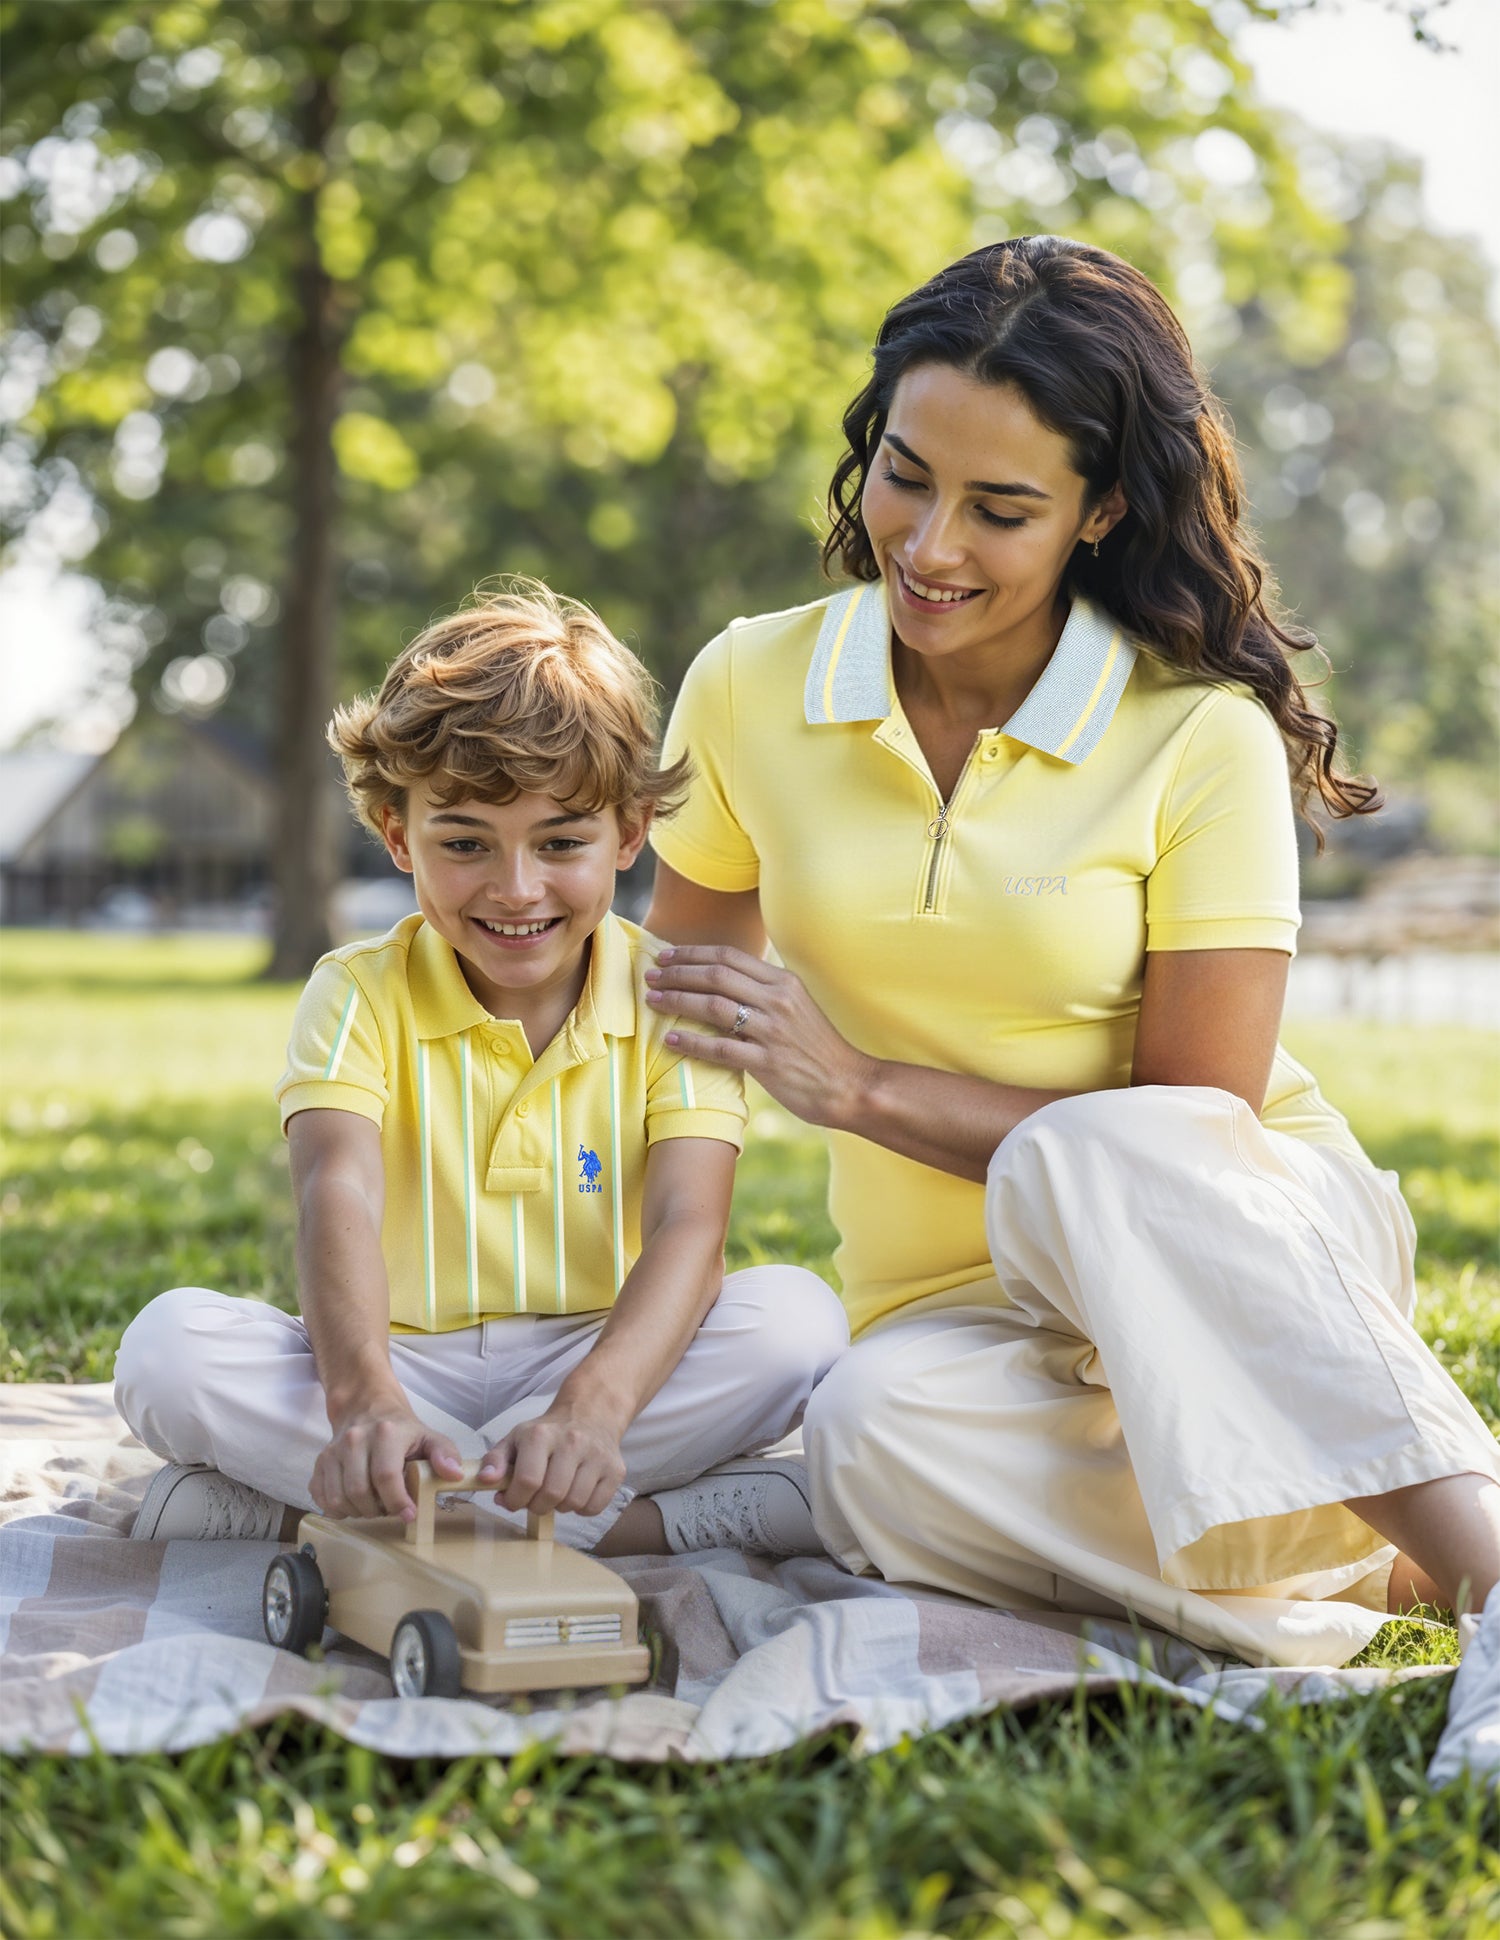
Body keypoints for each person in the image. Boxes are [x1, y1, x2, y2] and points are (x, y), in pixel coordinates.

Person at [642, 236, 1500, 1681]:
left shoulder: (1193, 732)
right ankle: (1371, 1549)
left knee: (1086, 1152)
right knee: (860, 1449)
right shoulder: (747, 684)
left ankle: (1484, 1570)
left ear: (1101, 509)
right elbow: (676, 1038)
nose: (928, 546)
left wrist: (858, 1089)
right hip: (954, 1322)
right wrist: (607, 1344)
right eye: (905, 474)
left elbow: (1198, 1131)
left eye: (1002, 508)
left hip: (1246, 1265)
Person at [116, 583, 846, 1557]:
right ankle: (626, 1524)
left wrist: (591, 1408)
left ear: (630, 833)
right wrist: (365, 1399)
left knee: (797, 1321)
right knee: (166, 1350)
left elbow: (690, 1227)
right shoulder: (356, 992)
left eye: (561, 842)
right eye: (463, 843)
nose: (515, 888)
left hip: (600, 1357)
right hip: (398, 1359)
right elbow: (338, 1190)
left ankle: (326, 1521)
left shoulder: (673, 993)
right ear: (396, 833)